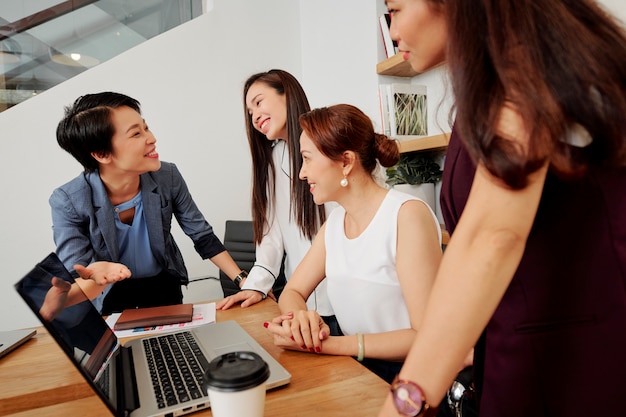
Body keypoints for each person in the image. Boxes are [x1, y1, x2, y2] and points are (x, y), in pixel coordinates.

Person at [379, 1, 626, 417]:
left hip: (574, 366)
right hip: (522, 353)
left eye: (396, 9)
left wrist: (406, 402)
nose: (392, 30)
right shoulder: (495, 85)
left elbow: (491, 238)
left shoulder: (531, 72)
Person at [264, 104, 443, 384]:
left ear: (346, 161)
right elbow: (293, 290)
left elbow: (427, 337)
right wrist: (301, 320)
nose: (301, 173)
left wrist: (327, 345)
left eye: (308, 159)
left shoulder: (406, 215)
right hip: (355, 371)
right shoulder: (335, 223)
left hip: (409, 377)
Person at [50, 92, 246, 315]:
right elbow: (77, 276)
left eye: (146, 127)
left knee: (176, 348)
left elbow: (201, 234)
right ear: (102, 154)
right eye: (136, 134)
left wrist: (242, 280)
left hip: (163, 286)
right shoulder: (68, 200)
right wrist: (96, 278)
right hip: (110, 295)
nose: (151, 138)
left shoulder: (167, 176)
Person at [216, 70, 336, 332]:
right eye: (249, 112)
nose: (255, 116)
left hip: (345, 300)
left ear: (287, 94)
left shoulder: (330, 142)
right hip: (300, 303)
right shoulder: (271, 160)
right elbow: (271, 236)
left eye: (258, 102)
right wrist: (255, 286)